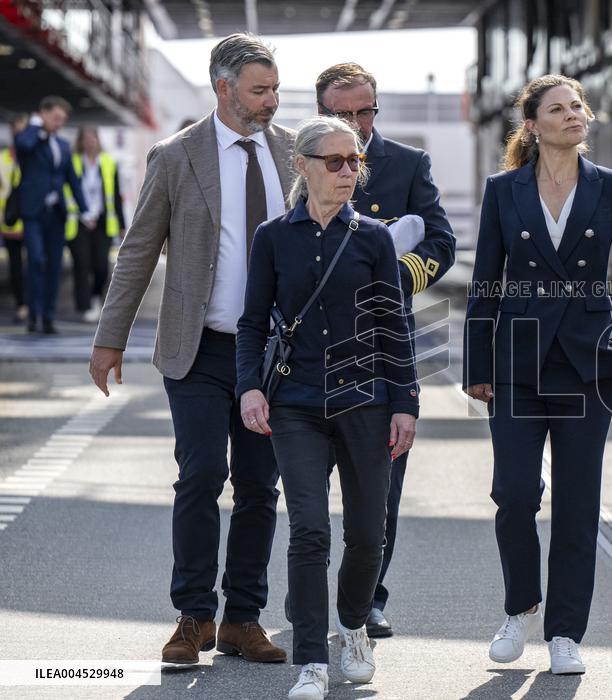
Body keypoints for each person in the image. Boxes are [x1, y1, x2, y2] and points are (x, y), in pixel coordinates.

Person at [89, 33, 294, 667]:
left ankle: (243, 618)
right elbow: (138, 250)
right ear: (224, 89)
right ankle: (193, 615)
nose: (271, 101)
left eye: (275, 89)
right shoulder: (176, 156)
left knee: (261, 487)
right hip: (200, 348)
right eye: (260, 90)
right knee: (202, 473)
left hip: (271, 354)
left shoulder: (295, 151)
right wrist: (109, 337)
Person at [463, 74, 612, 675]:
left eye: (577, 105)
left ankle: (565, 633)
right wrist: (478, 365)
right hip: (518, 364)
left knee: (579, 502)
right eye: (558, 109)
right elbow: (486, 283)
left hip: (588, 363)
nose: (573, 115)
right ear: (533, 124)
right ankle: (519, 607)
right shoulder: (504, 191)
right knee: (515, 493)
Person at [236, 116, 418, 698]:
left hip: (366, 400)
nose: (347, 172)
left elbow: (394, 326)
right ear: (303, 165)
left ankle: (354, 623)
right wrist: (250, 386)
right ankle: (312, 659)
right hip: (295, 402)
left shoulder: (372, 239)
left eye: (354, 162)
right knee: (309, 529)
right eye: (335, 161)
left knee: (370, 533)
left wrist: (405, 402)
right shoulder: (272, 237)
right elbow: (249, 324)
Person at [314, 62, 455, 638]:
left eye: (364, 110)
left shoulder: (407, 164)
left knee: (382, 484)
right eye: (341, 113)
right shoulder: (292, 156)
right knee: (303, 486)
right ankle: (308, 594)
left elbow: (442, 240)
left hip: (379, 342)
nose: (355, 122)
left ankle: (368, 597)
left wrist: (396, 278)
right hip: (308, 342)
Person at [14, 96, 90, 334]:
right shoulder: (30, 137)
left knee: (55, 266)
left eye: (62, 120)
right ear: (43, 114)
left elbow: (73, 181)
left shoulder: (63, 146)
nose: (59, 123)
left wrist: (85, 209)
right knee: (36, 261)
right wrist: (36, 125)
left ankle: (48, 316)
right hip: (33, 212)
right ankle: (33, 315)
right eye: (55, 118)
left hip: (56, 215)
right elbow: (23, 146)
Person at [65, 126, 126, 322]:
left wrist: (122, 225)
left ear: (99, 140)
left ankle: (95, 297)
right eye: (87, 138)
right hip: (78, 221)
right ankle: (85, 305)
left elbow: (115, 196)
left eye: (94, 137)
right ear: (81, 141)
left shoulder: (108, 163)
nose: (91, 141)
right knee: (82, 264)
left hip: (102, 222)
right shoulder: (72, 162)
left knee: (101, 266)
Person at [1, 115, 28, 323]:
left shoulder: (31, 157)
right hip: (9, 222)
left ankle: (32, 304)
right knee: (16, 267)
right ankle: (21, 304)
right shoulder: (3, 160)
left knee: (36, 264)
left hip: (30, 221)